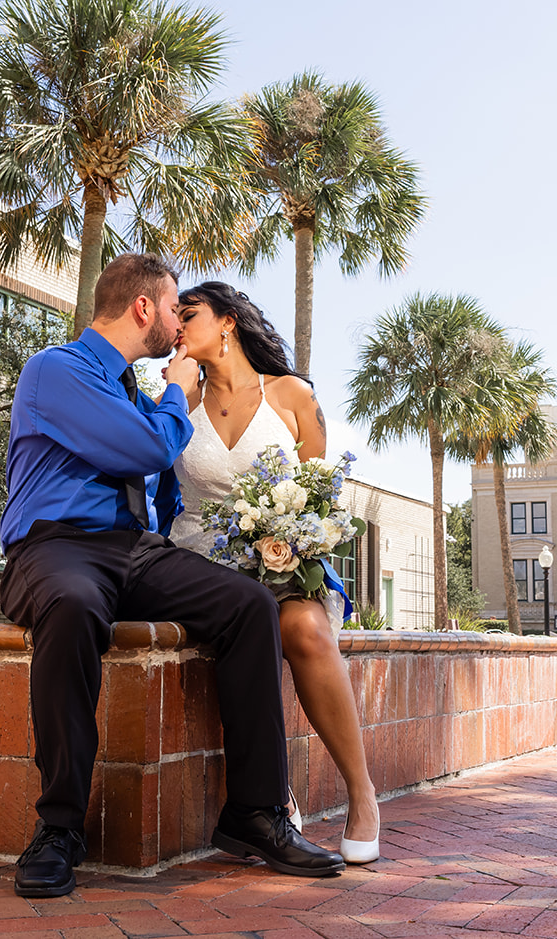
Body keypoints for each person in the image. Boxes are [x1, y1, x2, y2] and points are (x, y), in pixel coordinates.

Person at [0, 254, 344, 898]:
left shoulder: (133, 389)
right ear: (143, 309)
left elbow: (160, 485)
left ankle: (256, 812)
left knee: (246, 605)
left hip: (130, 549)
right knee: (73, 605)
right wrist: (180, 396)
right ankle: (59, 827)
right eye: (173, 308)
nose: (177, 326)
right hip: (55, 549)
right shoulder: (57, 370)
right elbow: (149, 448)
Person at [169, 281, 381, 865]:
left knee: (307, 631)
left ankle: (361, 795)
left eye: (188, 314)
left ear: (229, 322)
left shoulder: (290, 395)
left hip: (282, 557)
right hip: (197, 563)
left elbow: (322, 490)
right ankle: (270, 792)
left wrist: (290, 534)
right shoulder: (175, 400)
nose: (177, 326)